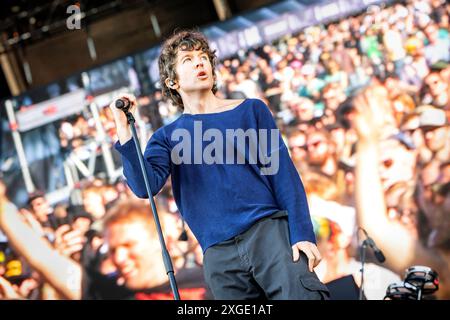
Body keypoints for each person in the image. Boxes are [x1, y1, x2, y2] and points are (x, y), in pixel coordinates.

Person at [110, 30, 329, 299]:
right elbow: (145, 186)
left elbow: (284, 176)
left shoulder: (251, 110)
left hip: (269, 234)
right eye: (188, 60)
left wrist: (302, 233)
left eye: (203, 57)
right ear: (172, 81)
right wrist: (123, 128)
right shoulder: (166, 137)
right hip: (218, 256)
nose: (200, 62)